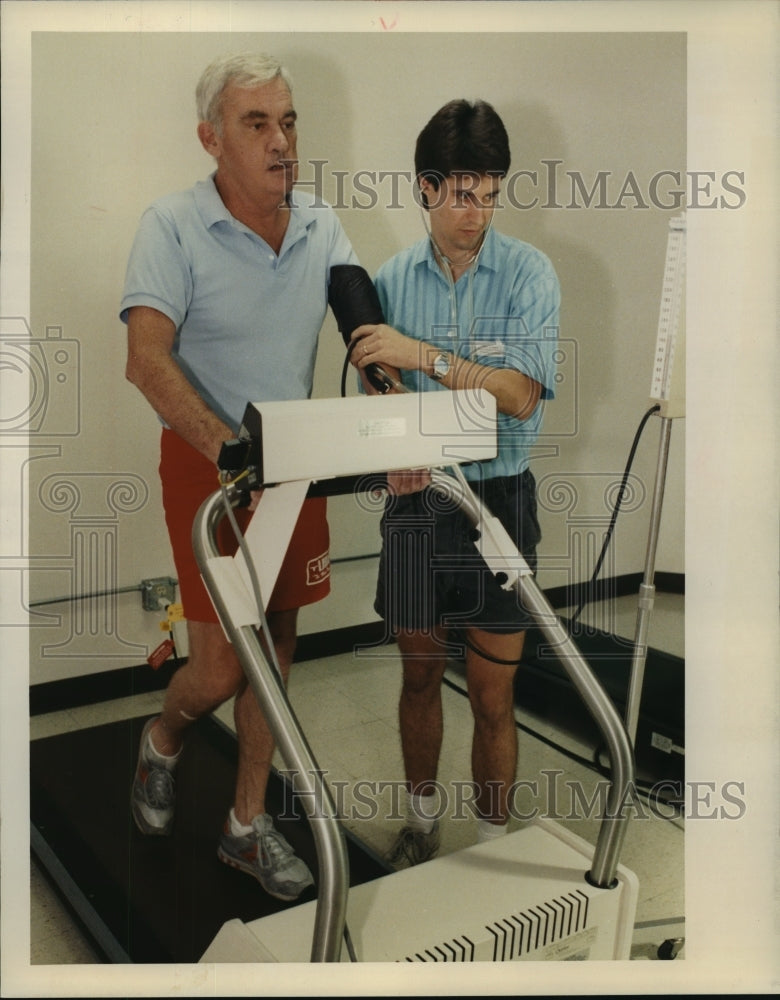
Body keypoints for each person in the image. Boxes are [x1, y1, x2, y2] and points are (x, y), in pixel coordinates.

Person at [120, 52, 357, 901]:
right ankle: (166, 737)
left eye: (288, 120)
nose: (281, 140)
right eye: (257, 123)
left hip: (293, 460)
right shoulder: (171, 224)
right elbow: (145, 361)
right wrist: (229, 448)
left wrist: (396, 409)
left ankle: (244, 826)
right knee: (224, 667)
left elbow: (363, 330)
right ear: (210, 137)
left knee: (278, 646)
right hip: (207, 463)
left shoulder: (321, 222)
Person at [349, 99, 560, 868]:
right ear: (426, 188)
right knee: (418, 677)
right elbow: (377, 398)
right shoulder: (389, 280)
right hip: (416, 505)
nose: (477, 211)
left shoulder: (531, 273)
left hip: (499, 501)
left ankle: (495, 846)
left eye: (491, 193)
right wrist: (391, 438)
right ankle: (422, 821)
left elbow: (521, 396)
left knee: (494, 693)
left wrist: (426, 357)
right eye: (462, 193)